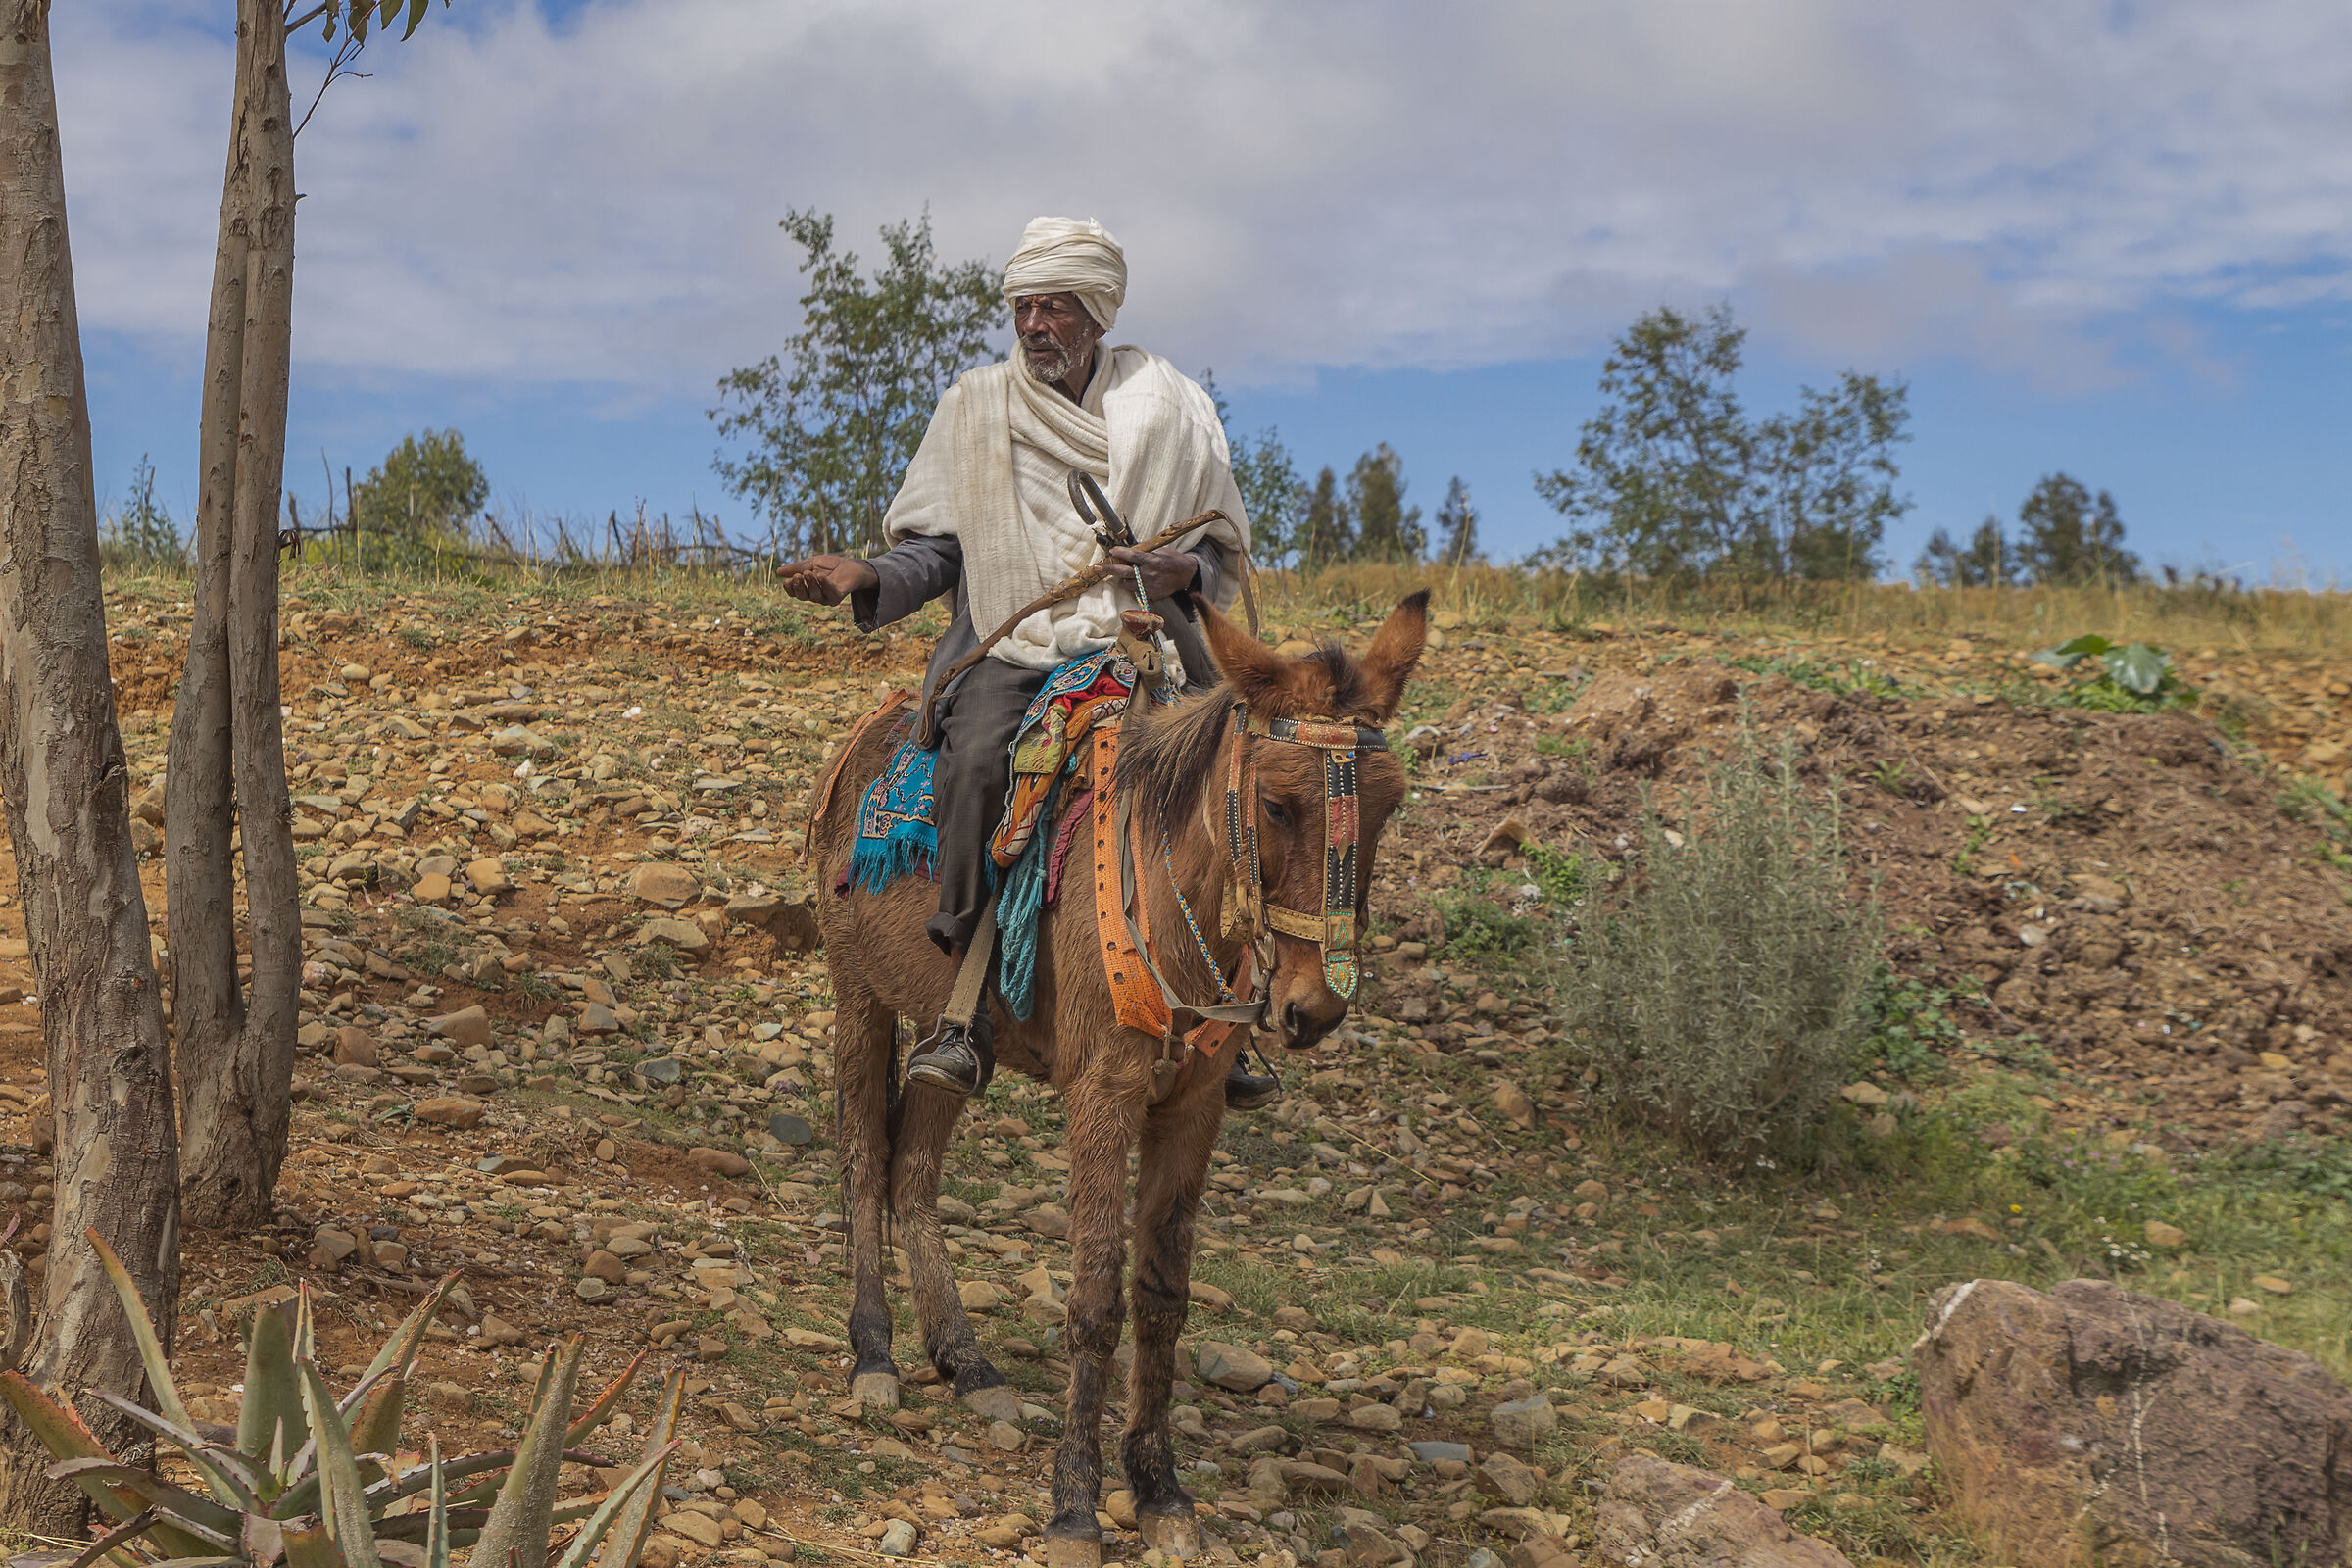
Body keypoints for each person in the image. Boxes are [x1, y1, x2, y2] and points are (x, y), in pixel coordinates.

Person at [780, 216, 1282, 1110]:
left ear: (1094, 314)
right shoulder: (977, 407)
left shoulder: (1167, 408)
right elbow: (936, 553)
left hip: (1146, 642)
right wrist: (869, 575)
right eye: (1022, 307)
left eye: (1053, 307)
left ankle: (1229, 1008)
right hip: (1012, 645)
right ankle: (961, 1014)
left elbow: (1215, 557)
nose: (1033, 325)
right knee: (977, 761)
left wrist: (1179, 571)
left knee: (1250, 768)